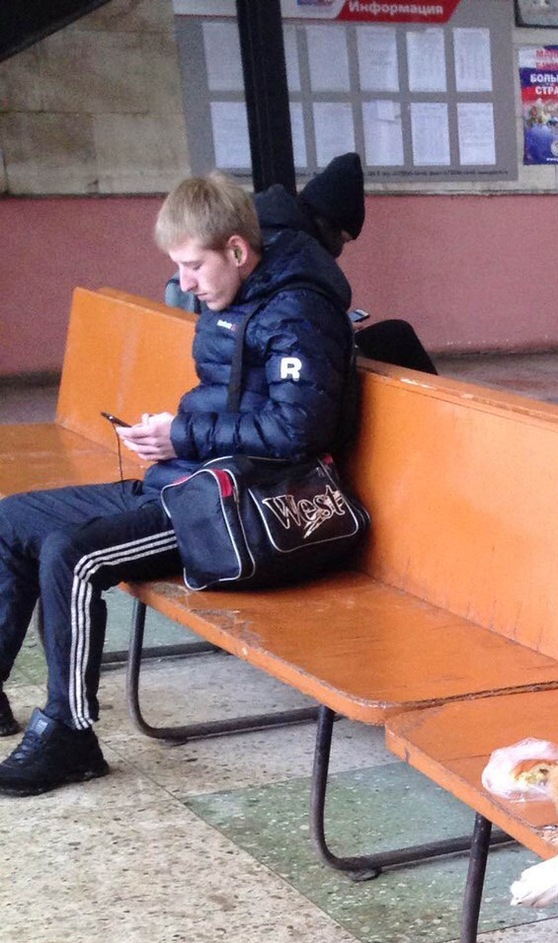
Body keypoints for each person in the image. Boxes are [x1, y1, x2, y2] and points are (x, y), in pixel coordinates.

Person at [0, 171, 355, 796]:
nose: (184, 284)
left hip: (240, 510)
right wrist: (171, 436)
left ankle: (70, 735)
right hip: (188, 481)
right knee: (10, 520)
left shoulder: (299, 309)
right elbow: (231, 406)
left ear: (239, 251)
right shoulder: (240, 292)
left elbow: (299, 429)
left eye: (193, 266)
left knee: (71, 554)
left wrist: (182, 436)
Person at [166, 153, 438, 375]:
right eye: (344, 238)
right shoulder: (295, 256)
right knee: (396, 337)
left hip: (247, 362)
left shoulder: (266, 227)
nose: (187, 282)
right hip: (269, 367)